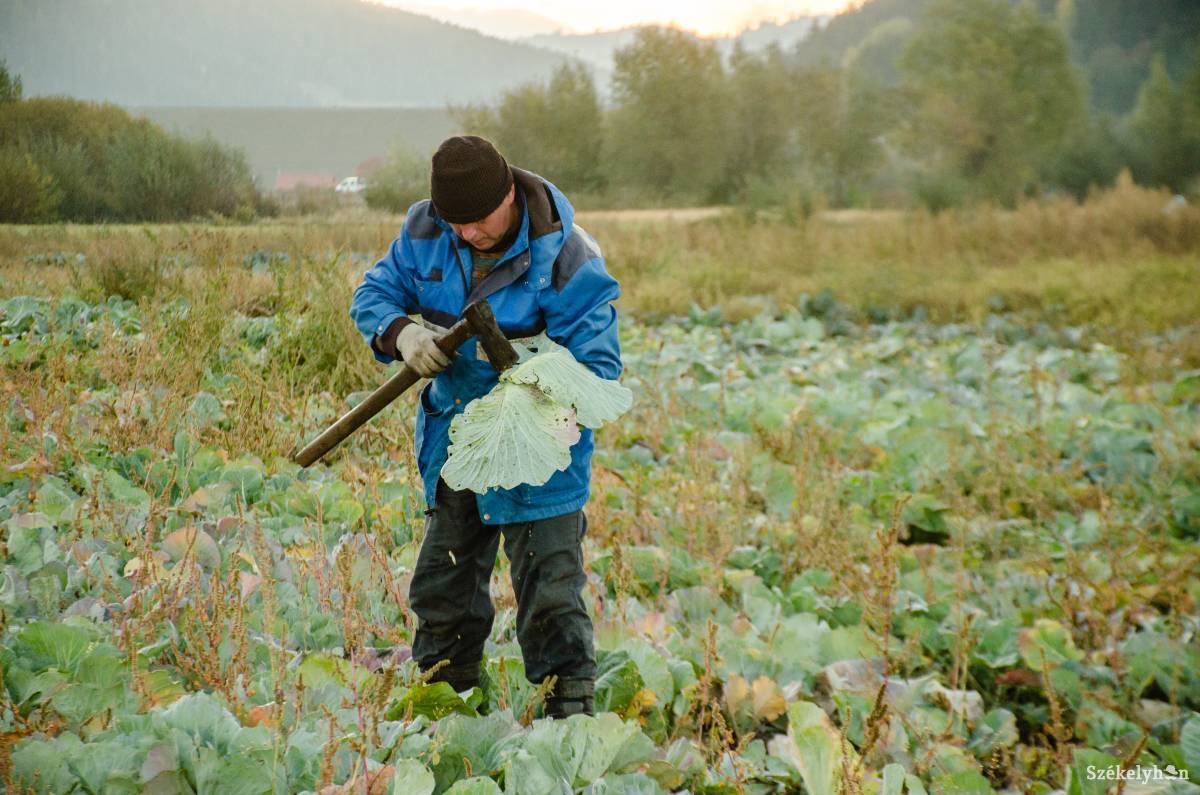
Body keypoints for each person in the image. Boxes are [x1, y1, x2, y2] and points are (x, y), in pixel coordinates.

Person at [349, 135, 622, 718]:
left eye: (477, 221)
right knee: (442, 591)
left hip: (542, 448)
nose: (467, 235)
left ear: (508, 196)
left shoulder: (566, 253)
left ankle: (567, 724)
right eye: (457, 224)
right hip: (459, 441)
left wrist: (529, 380)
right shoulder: (427, 229)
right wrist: (402, 333)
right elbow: (374, 292)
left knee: (551, 596)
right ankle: (446, 714)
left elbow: (600, 367)